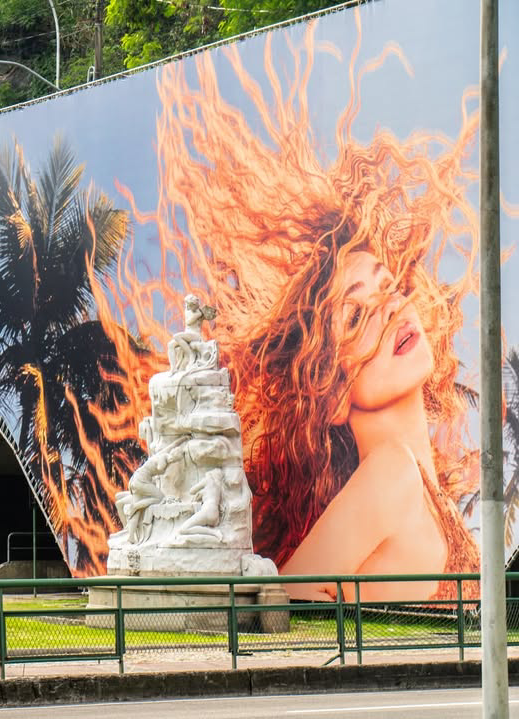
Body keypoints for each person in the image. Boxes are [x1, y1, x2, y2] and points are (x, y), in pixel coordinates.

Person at [102, 18, 481, 601]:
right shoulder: (391, 476)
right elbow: (290, 594)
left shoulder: (419, 485)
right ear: (328, 390)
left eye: (387, 287)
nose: (387, 312)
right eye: (355, 318)